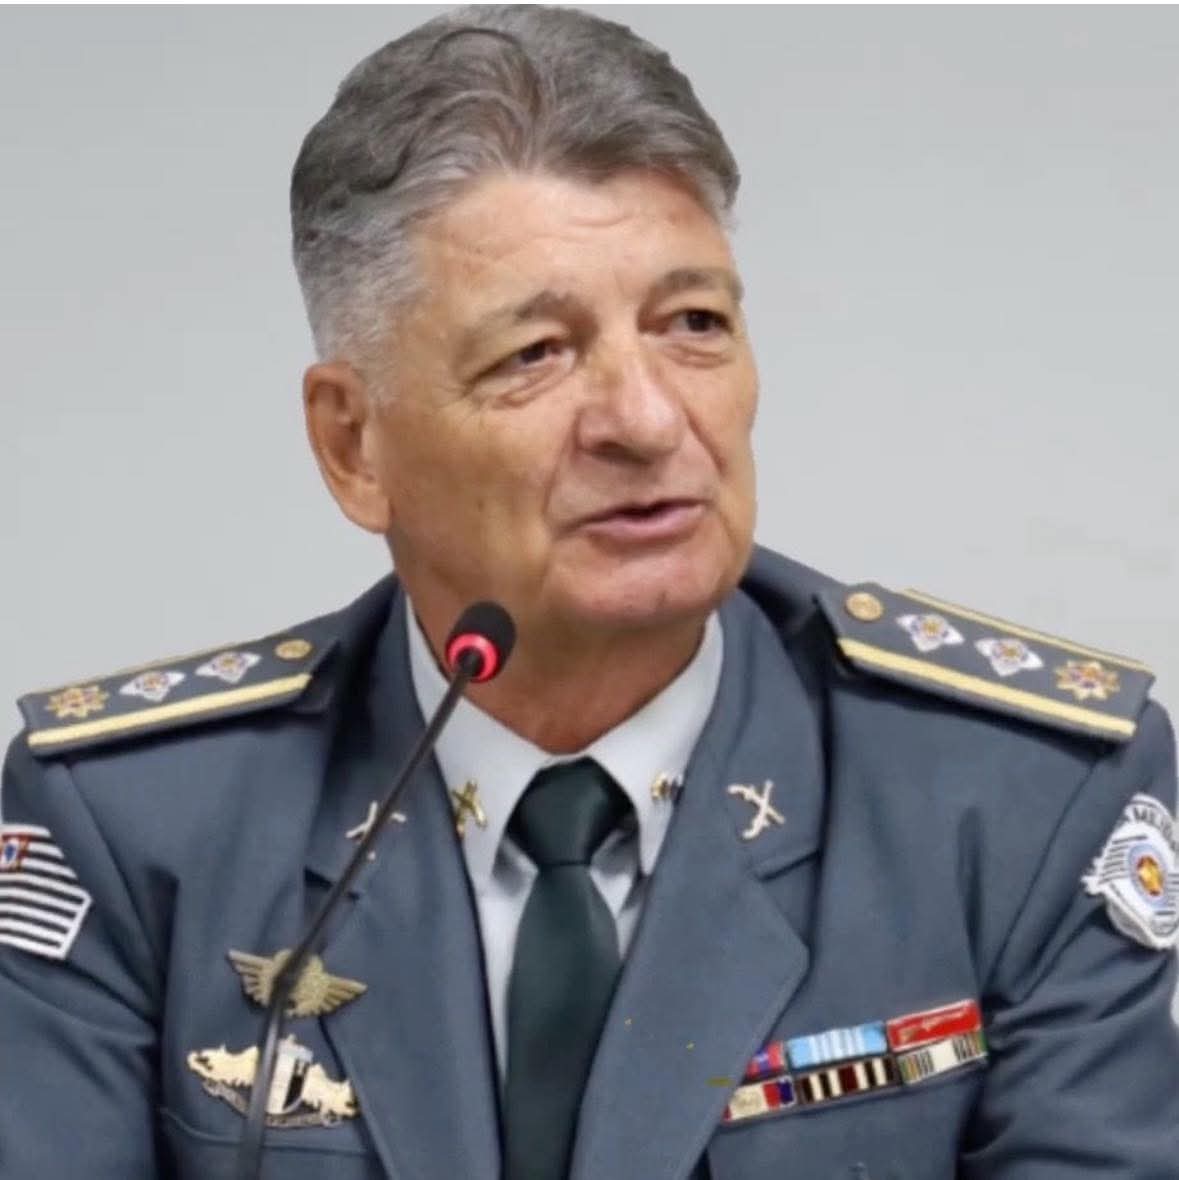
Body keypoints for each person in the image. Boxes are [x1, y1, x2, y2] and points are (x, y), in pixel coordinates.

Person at [1, 7, 1176, 1178]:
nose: (649, 419)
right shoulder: (135, 828)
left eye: (693, 324)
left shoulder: (1017, 801)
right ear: (355, 443)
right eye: (537, 354)